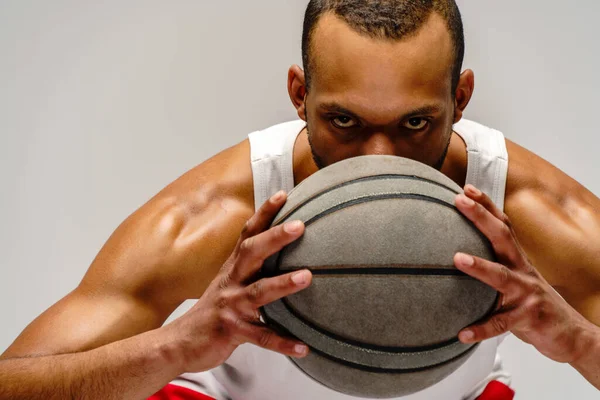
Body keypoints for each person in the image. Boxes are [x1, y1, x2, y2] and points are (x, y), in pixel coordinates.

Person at [1, 0, 599, 399]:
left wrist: (574, 338)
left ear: (460, 98)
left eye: (417, 123)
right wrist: (175, 346)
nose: (379, 159)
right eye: (343, 120)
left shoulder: (529, 208)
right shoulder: (218, 214)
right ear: (298, 94)